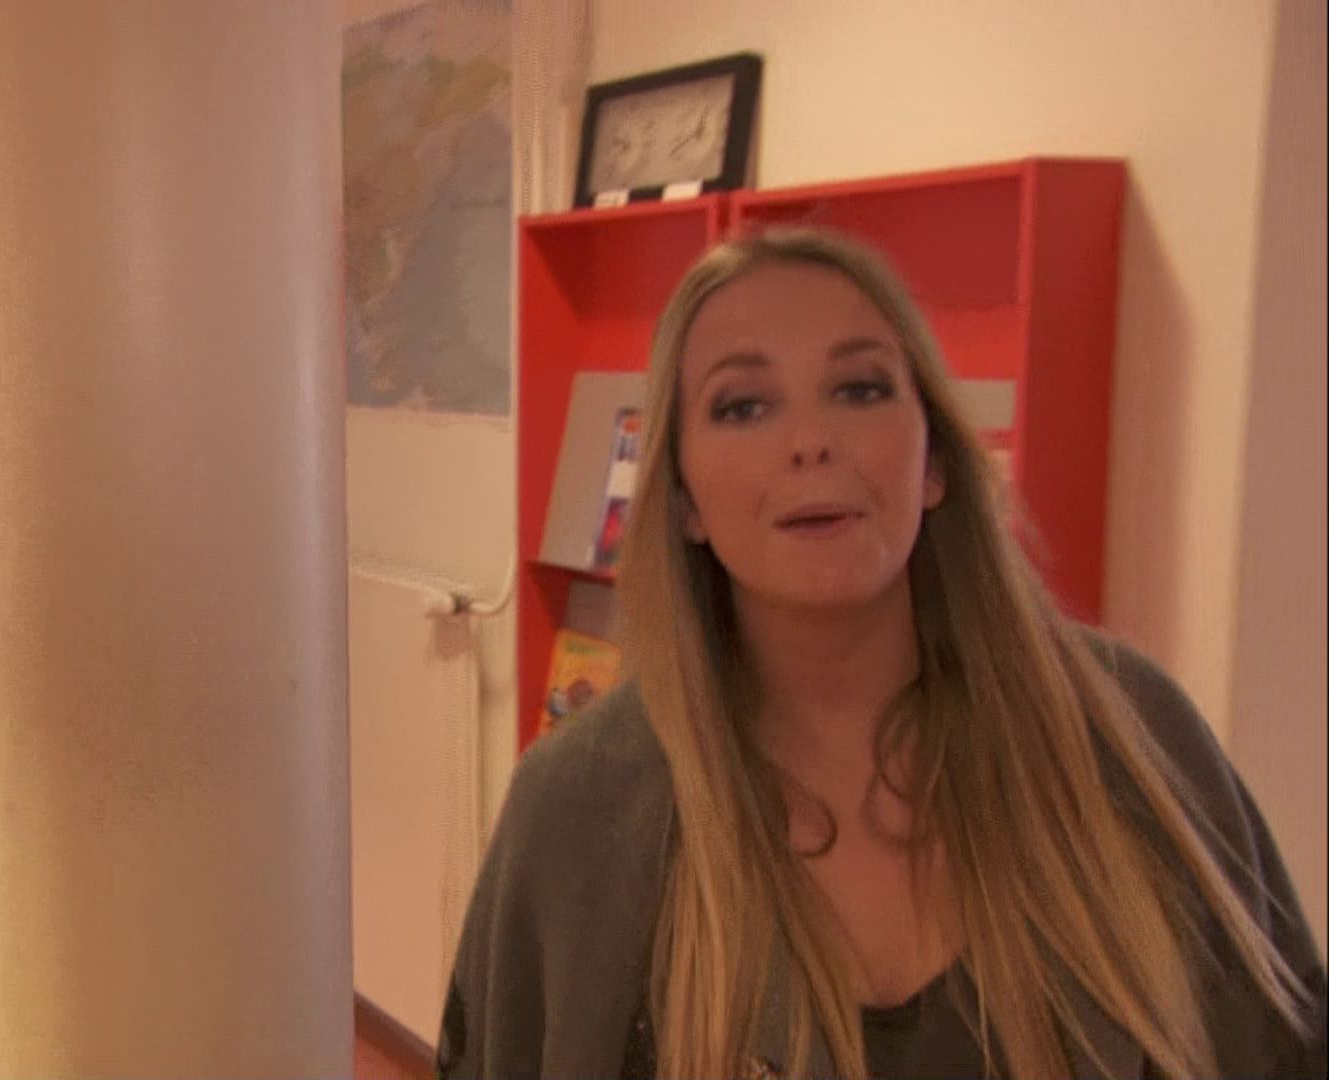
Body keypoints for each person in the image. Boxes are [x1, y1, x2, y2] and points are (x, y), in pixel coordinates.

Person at [436, 226, 1326, 1079]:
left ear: (933, 461)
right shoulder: (578, 810)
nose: (810, 442)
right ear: (685, 500)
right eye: (744, 406)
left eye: (860, 389)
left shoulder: (1128, 734)